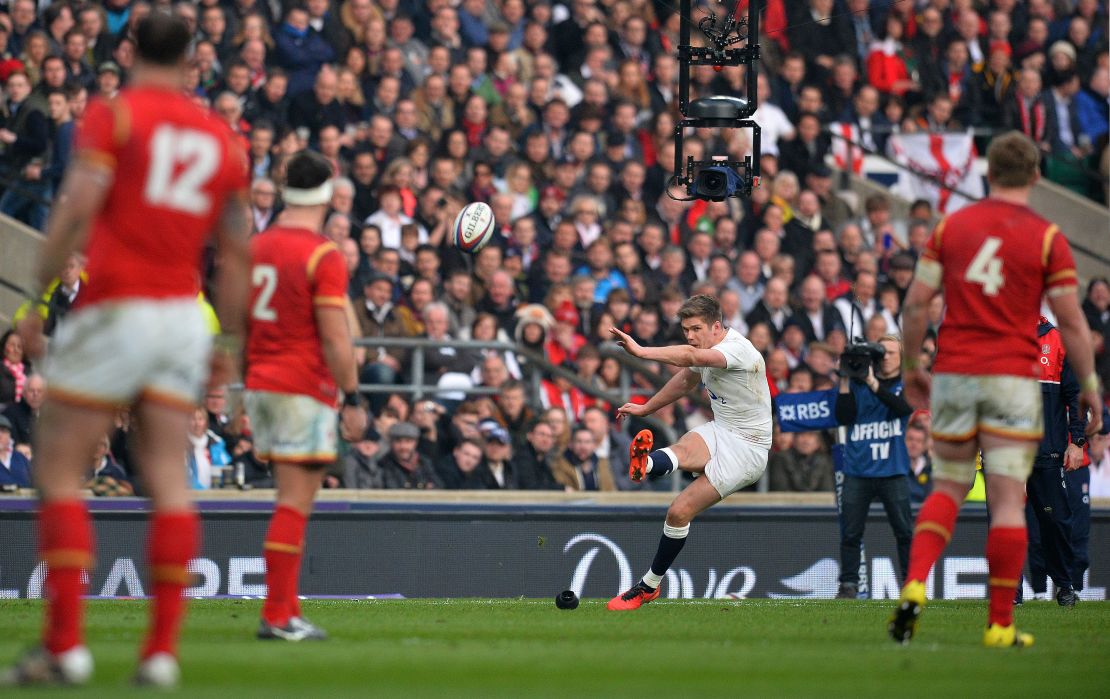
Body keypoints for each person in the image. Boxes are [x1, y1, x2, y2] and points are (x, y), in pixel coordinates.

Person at [7, 13, 251, 688]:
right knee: (170, 479)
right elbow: (237, 251)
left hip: (116, 307)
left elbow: (77, 205)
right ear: (195, 60)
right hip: (182, 316)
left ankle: (65, 645)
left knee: (57, 469)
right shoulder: (221, 138)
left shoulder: (114, 118)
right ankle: (162, 651)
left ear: (129, 50)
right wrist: (227, 346)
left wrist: (35, 300)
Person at [889, 132, 1102, 648]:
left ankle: (914, 583)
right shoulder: (1047, 237)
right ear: (1035, 176)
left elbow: (917, 305)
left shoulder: (951, 227)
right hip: (1013, 378)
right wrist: (1091, 383)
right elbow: (1071, 321)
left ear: (986, 171)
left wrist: (915, 366)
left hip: (958, 374)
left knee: (948, 487)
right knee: (1009, 504)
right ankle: (1000, 624)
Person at [244, 149, 367, 641]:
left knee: (285, 498)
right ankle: (278, 615)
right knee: (296, 503)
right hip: (302, 386)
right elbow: (336, 338)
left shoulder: (256, 246)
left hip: (260, 382)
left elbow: (236, 319)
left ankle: (284, 609)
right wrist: (353, 398)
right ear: (327, 193)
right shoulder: (322, 253)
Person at [606, 294, 771, 610]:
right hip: (722, 429)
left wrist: (641, 351)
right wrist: (646, 408)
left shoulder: (737, 350)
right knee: (682, 448)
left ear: (716, 327)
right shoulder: (703, 351)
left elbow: (686, 357)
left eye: (696, 329)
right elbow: (684, 380)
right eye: (686, 330)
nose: (691, 337)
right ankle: (646, 464)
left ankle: (649, 586)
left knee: (678, 512)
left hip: (749, 448)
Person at [834, 335, 915, 599]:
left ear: (902, 357)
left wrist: (871, 381)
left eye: (892, 352)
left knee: (904, 531)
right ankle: (848, 584)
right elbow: (843, 417)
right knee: (850, 532)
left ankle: (911, 582)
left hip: (893, 470)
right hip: (858, 470)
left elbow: (903, 408)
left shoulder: (905, 384)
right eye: (883, 353)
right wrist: (845, 381)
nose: (887, 357)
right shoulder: (857, 383)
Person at [1023, 315, 1088, 607]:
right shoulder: (996, 336)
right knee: (1002, 522)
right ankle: (1010, 594)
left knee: (1055, 521)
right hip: (1004, 448)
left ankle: (1063, 584)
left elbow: (1075, 396)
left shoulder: (1057, 339)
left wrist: (1077, 441)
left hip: (1046, 450)